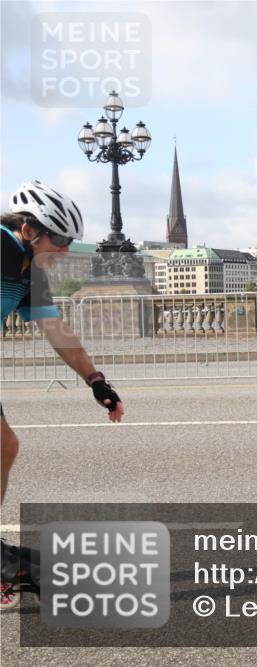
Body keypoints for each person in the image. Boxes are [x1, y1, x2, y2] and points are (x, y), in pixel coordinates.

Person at [1, 180, 125, 608]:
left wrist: (96, 381)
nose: (67, 250)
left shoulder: (28, 272)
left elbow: (57, 330)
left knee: (4, 446)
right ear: (30, 230)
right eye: (61, 239)